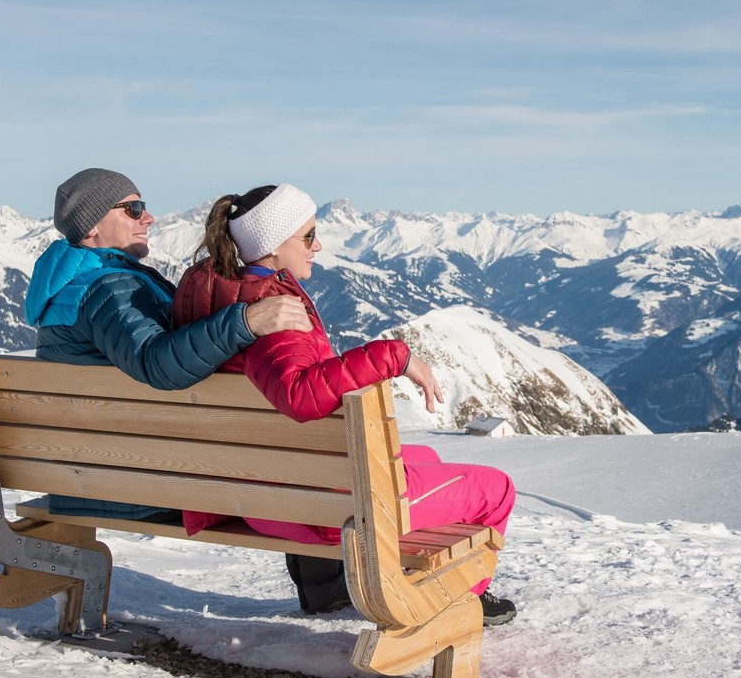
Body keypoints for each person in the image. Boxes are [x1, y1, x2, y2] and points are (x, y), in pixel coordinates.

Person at [172, 183, 518, 626]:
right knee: (496, 489)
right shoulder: (272, 315)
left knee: (423, 456)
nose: (318, 245)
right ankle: (459, 603)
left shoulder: (210, 296)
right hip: (315, 510)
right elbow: (299, 394)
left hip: (251, 495)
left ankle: (327, 590)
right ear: (272, 246)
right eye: (307, 236)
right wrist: (394, 355)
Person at [24, 167, 311, 519]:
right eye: (133, 209)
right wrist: (246, 322)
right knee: (305, 474)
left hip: (93, 472)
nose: (149, 217)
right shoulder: (107, 290)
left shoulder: (77, 286)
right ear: (92, 226)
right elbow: (156, 363)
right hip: (137, 479)